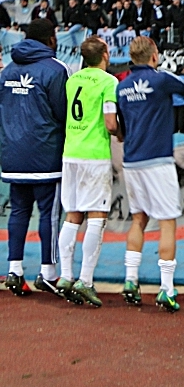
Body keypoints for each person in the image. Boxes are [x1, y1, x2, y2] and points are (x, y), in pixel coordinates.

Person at [117, 36, 184, 312]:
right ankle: (166, 288)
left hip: (132, 161)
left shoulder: (122, 86)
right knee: (167, 222)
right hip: (158, 161)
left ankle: (130, 280)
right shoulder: (161, 79)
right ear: (155, 55)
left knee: (138, 219)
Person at [1, 19, 68, 297]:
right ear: (51, 39)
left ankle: (15, 270)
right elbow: (63, 113)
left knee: (18, 211)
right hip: (45, 153)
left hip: (12, 152)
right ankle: (49, 271)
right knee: (49, 214)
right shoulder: (56, 69)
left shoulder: (7, 70)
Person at [58, 36, 120, 306]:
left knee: (72, 215)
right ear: (105, 54)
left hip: (70, 153)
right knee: (96, 216)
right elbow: (109, 123)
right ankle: (86, 280)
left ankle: (65, 276)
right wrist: (121, 131)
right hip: (94, 156)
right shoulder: (109, 82)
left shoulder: (72, 80)